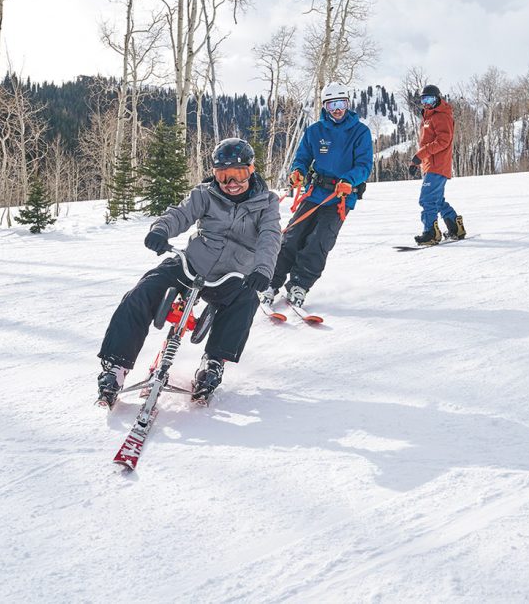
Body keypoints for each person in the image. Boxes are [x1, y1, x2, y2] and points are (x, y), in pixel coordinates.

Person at [96, 138, 281, 405]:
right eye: (223, 175)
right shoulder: (205, 193)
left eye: (238, 174)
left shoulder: (267, 202)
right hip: (192, 264)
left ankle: (214, 362)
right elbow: (180, 215)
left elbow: (270, 236)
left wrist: (262, 269)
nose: (231, 183)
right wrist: (160, 230)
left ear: (251, 170)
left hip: (232, 274)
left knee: (246, 300)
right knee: (145, 290)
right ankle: (115, 367)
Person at [263, 82, 373, 307]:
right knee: (292, 237)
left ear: (347, 104)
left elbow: (364, 165)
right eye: (332, 104)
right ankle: (271, 282)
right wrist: (298, 172)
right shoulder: (315, 130)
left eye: (341, 103)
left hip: (341, 196)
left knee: (319, 240)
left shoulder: (360, 131)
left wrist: (349, 180)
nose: (337, 109)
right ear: (325, 106)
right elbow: (302, 157)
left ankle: (300, 285)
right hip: (315, 193)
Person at [409, 84, 465, 245]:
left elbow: (443, 141)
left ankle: (431, 233)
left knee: (427, 199)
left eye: (430, 99)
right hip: (430, 165)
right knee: (437, 200)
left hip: (438, 166)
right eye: (423, 99)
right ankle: (455, 227)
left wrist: (419, 155)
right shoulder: (429, 117)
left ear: (438, 98)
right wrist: (417, 162)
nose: (426, 103)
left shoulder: (441, 116)